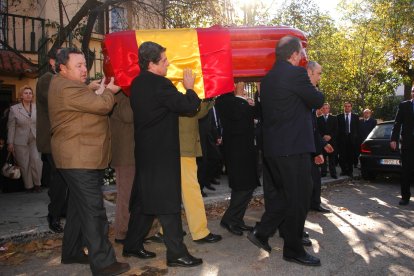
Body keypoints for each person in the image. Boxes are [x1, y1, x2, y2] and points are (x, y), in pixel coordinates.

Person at [48, 47, 130, 275]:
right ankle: (104, 263)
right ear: (62, 68)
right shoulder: (66, 87)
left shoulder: (65, 84)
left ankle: (72, 251)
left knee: (77, 209)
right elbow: (102, 106)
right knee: (94, 211)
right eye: (79, 66)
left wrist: (94, 88)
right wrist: (109, 91)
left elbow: (85, 100)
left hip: (77, 157)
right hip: (79, 158)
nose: (85, 69)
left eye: (85, 64)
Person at [123, 41, 202, 267]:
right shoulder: (160, 84)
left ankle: (132, 244)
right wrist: (189, 87)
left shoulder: (137, 84)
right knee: (167, 202)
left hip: (146, 152)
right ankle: (177, 253)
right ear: (151, 64)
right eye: (164, 61)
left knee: (144, 200)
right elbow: (188, 106)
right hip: (161, 154)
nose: (168, 64)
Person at [247, 36, 324, 266]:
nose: (302, 57)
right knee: (300, 197)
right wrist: (309, 86)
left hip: (274, 150)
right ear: (293, 54)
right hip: (293, 148)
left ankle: (262, 232)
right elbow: (318, 100)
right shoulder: (296, 74)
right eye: (300, 53)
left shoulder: (268, 79)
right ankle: (293, 249)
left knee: (283, 196)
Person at [215, 82, 259, 236]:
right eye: (238, 83)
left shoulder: (239, 101)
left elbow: (256, 113)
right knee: (242, 187)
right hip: (237, 152)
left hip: (246, 151)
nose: (242, 86)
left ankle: (237, 219)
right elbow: (240, 112)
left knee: (248, 186)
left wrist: (256, 94)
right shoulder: (224, 100)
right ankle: (229, 220)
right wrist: (241, 97)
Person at [36, 48, 67, 233]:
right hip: (51, 140)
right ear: (52, 62)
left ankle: (62, 211)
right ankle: (53, 215)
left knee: (63, 179)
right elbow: (56, 101)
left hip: (62, 139)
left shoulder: (60, 80)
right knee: (58, 180)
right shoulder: (46, 79)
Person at [306, 61, 332, 214]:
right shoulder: (306, 103)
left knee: (315, 178)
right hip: (304, 150)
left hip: (312, 148)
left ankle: (314, 203)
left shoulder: (312, 111)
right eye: (319, 74)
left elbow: (313, 130)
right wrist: (317, 152)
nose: (320, 78)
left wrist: (322, 145)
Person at [7, 85, 43, 192]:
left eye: (30, 93)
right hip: (20, 140)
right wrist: (10, 143)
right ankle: (29, 186)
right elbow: (11, 126)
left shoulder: (37, 107)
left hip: (35, 139)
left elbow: (41, 123)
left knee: (36, 161)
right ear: (21, 95)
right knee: (24, 163)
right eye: (26, 93)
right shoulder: (14, 109)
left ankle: (37, 184)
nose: (28, 95)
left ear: (32, 96)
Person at [110, 91, 134, 244]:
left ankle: (129, 229)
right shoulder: (119, 94)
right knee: (126, 195)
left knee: (130, 194)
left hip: (131, 152)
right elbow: (128, 115)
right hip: (125, 154)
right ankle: (121, 232)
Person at [390, 86, 414, 206]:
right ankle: (405, 197)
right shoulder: (404, 105)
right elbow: (397, 122)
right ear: (411, 93)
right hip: (408, 143)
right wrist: (393, 138)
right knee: (406, 171)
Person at [336, 102, 360, 177]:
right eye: (345, 106)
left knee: (350, 155)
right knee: (342, 156)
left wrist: (356, 138)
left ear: (351, 107)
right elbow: (337, 129)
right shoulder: (339, 117)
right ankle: (343, 171)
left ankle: (350, 171)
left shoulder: (355, 117)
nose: (347, 108)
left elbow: (357, 128)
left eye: (348, 106)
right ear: (343, 107)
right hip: (342, 138)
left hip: (351, 138)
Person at [317, 103, 338, 179]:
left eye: (326, 108)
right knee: (323, 157)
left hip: (332, 141)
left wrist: (330, 136)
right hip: (322, 141)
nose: (325, 109)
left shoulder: (334, 118)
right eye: (323, 108)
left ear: (329, 109)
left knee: (332, 158)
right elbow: (317, 130)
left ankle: (333, 173)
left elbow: (336, 129)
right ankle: (323, 172)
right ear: (321, 110)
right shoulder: (318, 119)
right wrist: (323, 136)